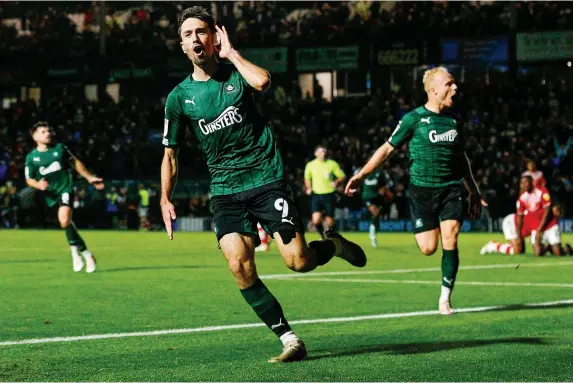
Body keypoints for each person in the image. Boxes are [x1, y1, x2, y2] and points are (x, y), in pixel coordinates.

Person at [159, 6, 366, 363]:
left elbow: (263, 82)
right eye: (189, 34)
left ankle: (334, 247)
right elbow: (170, 154)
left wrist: (233, 54)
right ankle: (289, 338)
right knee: (238, 263)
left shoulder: (235, 74)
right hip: (225, 189)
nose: (196, 38)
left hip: (266, 180)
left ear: (213, 38)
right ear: (181, 45)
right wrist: (164, 197)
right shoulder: (179, 98)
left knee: (298, 261)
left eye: (202, 32)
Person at [345, 66, 484, 315]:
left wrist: (473, 190)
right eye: (449, 84)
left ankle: (444, 299)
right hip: (422, 193)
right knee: (428, 248)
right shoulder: (414, 119)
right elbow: (387, 149)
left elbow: (461, 158)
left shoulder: (454, 120)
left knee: (451, 238)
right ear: (433, 90)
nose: (455, 88)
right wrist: (362, 174)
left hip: (451, 189)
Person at [24, 121, 103, 273]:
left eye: (48, 131)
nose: (47, 133)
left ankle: (77, 254)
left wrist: (89, 177)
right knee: (65, 223)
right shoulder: (31, 157)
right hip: (50, 194)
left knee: (64, 219)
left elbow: (76, 163)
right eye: (43, 132)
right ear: (34, 136)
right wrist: (37, 185)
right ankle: (84, 254)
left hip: (65, 188)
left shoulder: (59, 149)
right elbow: (29, 178)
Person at [304, 145, 346, 238]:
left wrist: (336, 182)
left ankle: (335, 236)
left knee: (330, 221)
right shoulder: (310, 165)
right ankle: (323, 237)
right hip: (316, 194)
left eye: (324, 151)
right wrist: (309, 188)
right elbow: (307, 178)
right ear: (316, 154)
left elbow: (342, 176)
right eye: (321, 151)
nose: (324, 153)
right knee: (315, 220)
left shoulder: (332, 164)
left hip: (329, 194)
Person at [515, 176, 562, 256]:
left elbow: (547, 210)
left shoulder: (542, 191)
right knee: (538, 253)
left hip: (549, 226)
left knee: (558, 253)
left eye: (526, 182)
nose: (524, 185)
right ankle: (548, 248)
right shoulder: (522, 198)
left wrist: (540, 229)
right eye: (522, 183)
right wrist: (519, 235)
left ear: (531, 182)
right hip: (535, 229)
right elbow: (520, 217)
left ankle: (565, 248)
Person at [360, 169, 392, 248]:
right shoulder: (364, 170)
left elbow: (383, 187)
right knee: (375, 213)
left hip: (377, 197)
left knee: (377, 216)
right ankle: (372, 235)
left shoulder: (380, 173)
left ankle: (373, 228)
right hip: (368, 197)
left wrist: (386, 193)